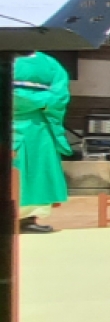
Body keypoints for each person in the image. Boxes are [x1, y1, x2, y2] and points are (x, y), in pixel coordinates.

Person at [13, 51, 71, 233]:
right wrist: (38, 101)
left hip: (39, 126)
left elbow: (60, 93)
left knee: (38, 170)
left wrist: (28, 101)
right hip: (12, 119)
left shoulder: (49, 62)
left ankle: (28, 218)